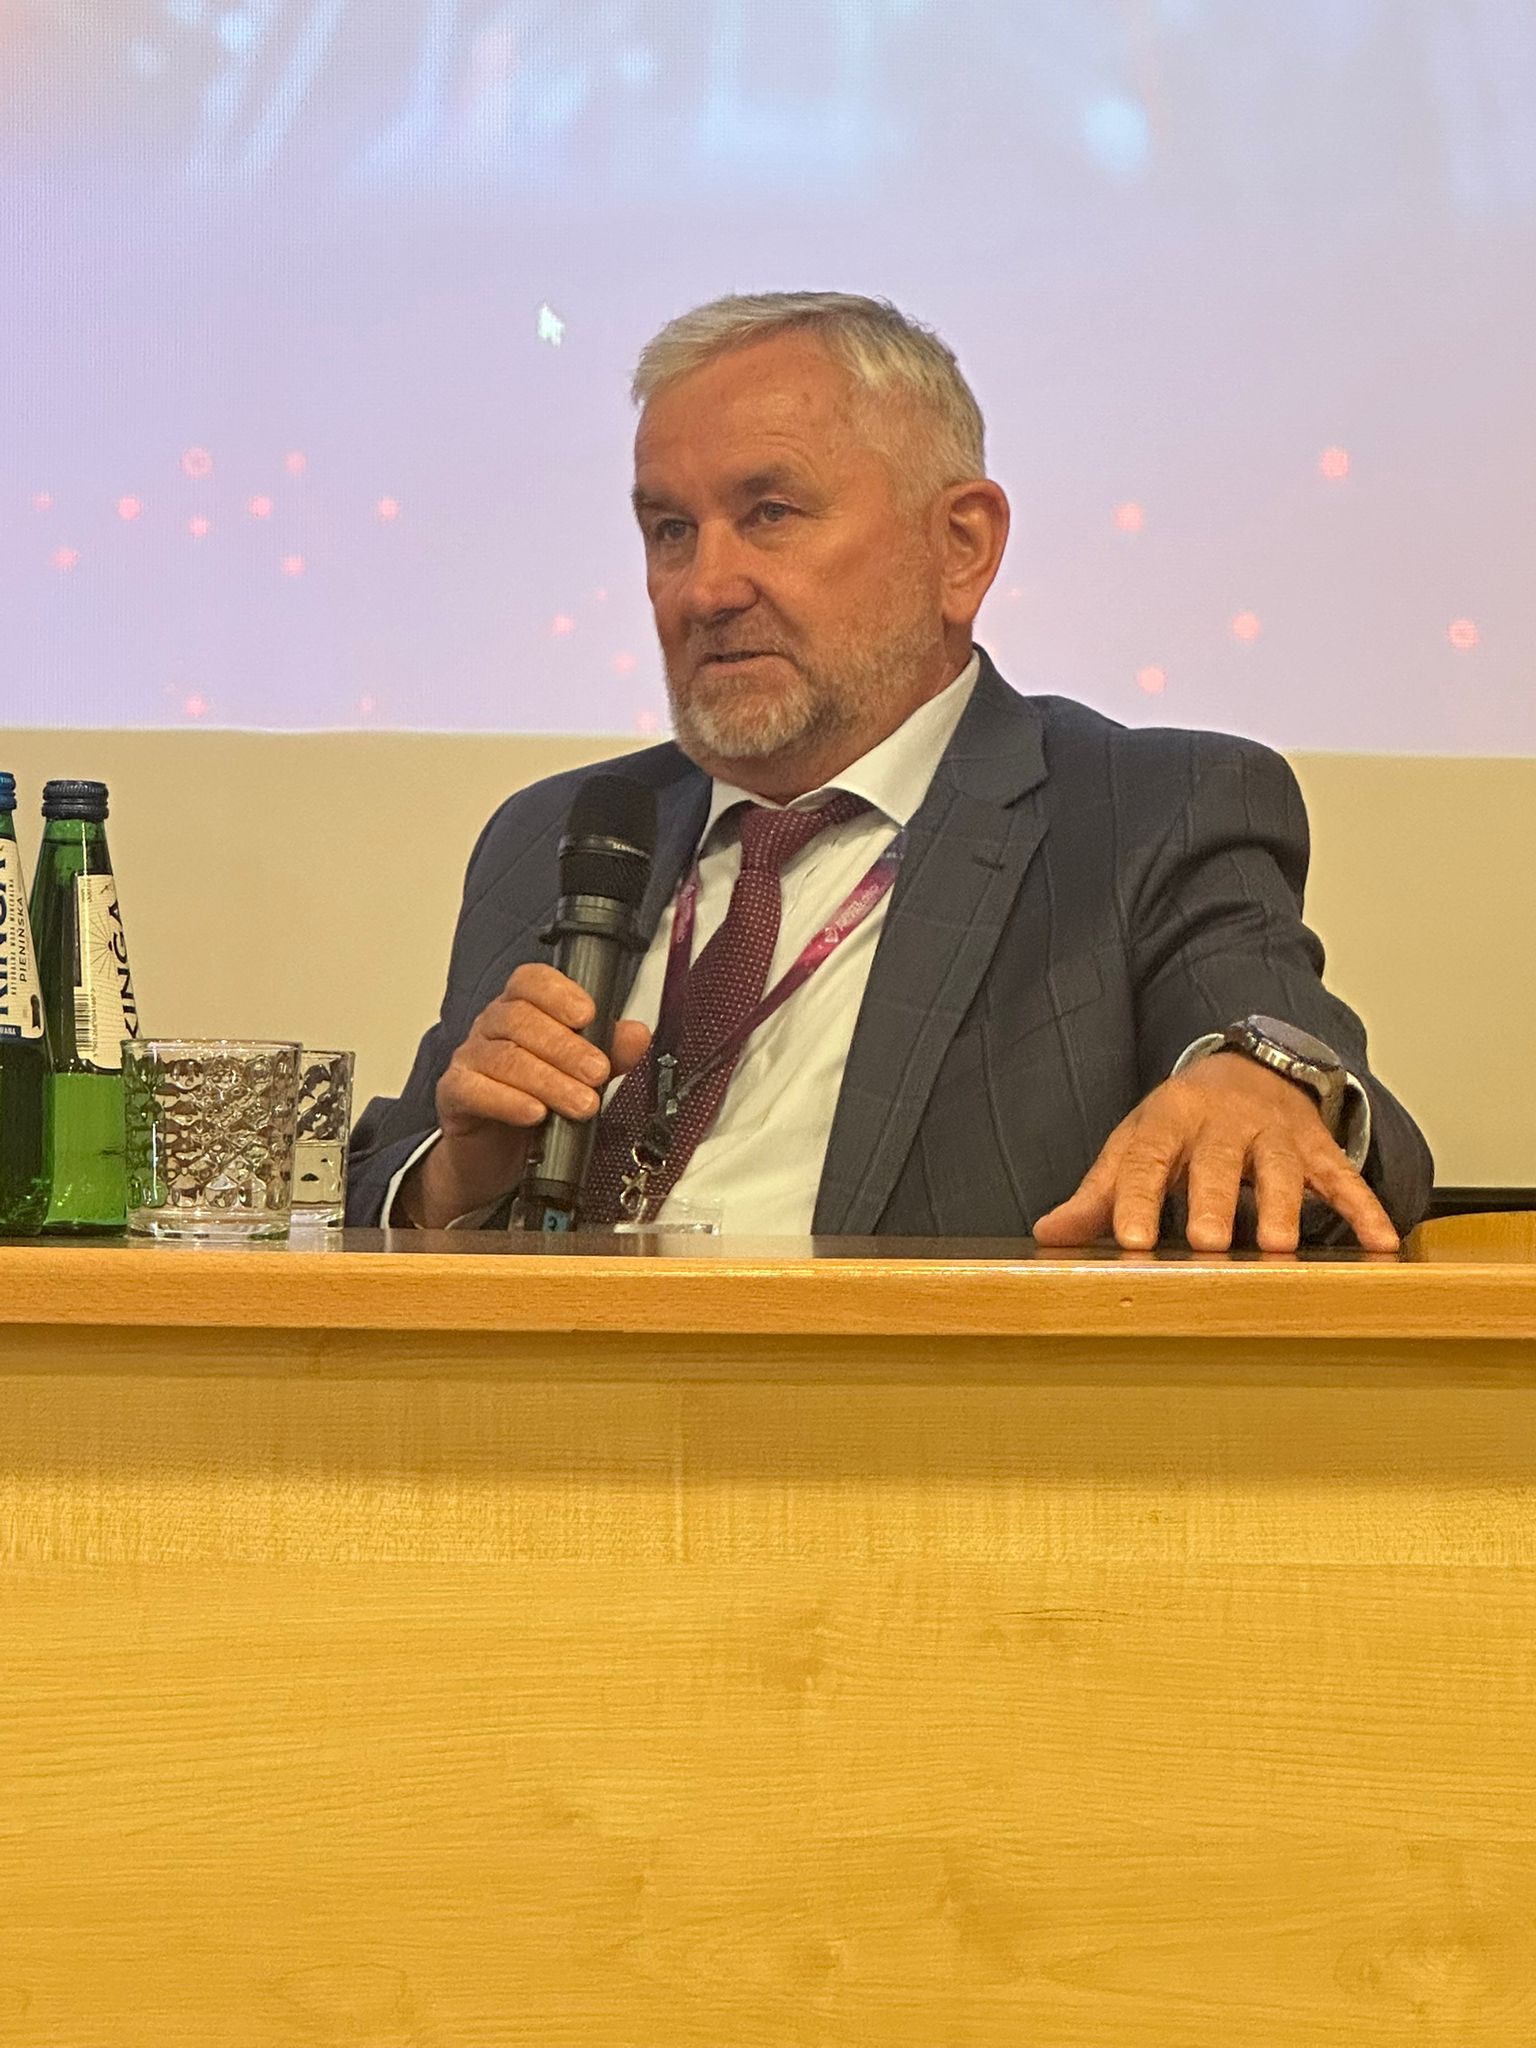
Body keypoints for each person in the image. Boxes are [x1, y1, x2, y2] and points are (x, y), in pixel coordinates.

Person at [348, 291, 1432, 1249]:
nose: (704, 587)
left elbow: (1280, 1055)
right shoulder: (559, 835)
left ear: (961, 546)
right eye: (671, 530)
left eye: (770, 514)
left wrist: (1262, 1084)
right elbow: (367, 1192)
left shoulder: (1148, 812)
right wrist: (451, 1182)